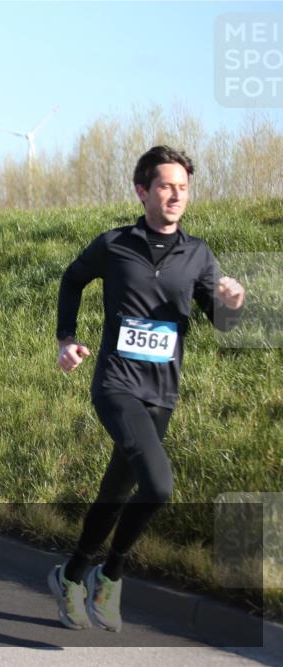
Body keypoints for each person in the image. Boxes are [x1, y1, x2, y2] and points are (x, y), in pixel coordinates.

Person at [49, 146, 246, 631]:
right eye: (165, 186)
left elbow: (222, 323)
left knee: (116, 490)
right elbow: (72, 280)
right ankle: (111, 575)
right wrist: (66, 339)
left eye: (183, 187)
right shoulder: (114, 244)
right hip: (116, 385)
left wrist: (233, 303)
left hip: (162, 393)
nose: (176, 195)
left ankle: (71, 576)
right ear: (142, 191)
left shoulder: (198, 255)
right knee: (158, 486)